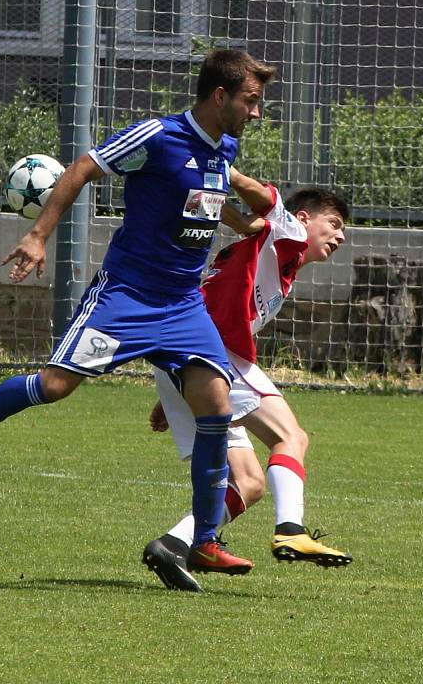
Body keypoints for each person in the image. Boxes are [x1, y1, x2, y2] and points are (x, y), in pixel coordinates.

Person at [0, 49, 277, 578]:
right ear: (220, 95)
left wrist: (252, 215)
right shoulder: (156, 136)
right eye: (251, 101)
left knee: (215, 408)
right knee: (55, 387)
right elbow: (85, 166)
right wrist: (38, 236)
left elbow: (211, 205)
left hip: (182, 303)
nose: (257, 112)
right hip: (126, 296)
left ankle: (204, 540)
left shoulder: (225, 149)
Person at [142, 183, 353, 593]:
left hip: (193, 360)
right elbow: (262, 197)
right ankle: (291, 528)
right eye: (335, 224)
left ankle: (174, 544)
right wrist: (222, 165)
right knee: (290, 437)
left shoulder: (275, 259)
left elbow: (209, 301)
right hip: (215, 356)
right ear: (303, 219)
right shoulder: (284, 233)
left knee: (250, 483)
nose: (341, 236)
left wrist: (173, 392)